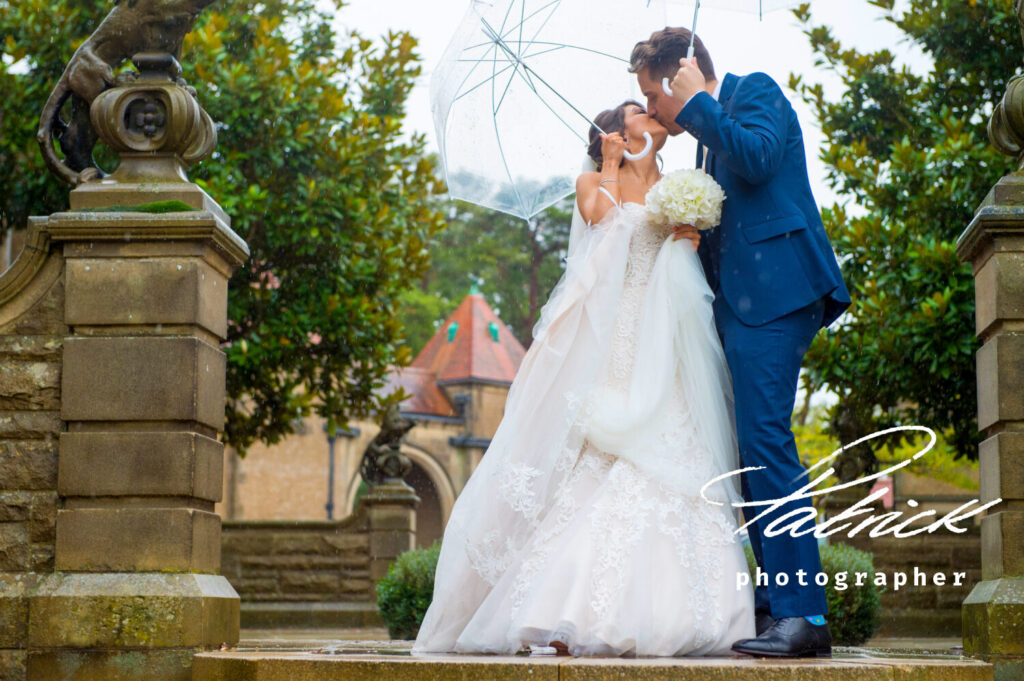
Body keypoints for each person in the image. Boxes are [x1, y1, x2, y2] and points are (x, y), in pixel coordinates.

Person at [411, 101, 755, 657]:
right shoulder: (594, 180)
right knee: (604, 449)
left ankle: (689, 609)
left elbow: (689, 261)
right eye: (640, 113)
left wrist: (686, 239)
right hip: (615, 331)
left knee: (673, 439)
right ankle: (568, 606)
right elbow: (600, 224)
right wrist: (614, 166)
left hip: (667, 330)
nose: (653, 117)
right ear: (616, 134)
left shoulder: (680, 185)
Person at [631, 27, 852, 658]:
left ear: (684, 75)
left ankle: (802, 613)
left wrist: (699, 103)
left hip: (778, 296)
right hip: (736, 308)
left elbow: (757, 158)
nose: (651, 111)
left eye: (654, 95)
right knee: (746, 454)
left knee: (764, 444)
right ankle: (773, 605)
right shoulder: (701, 145)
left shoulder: (754, 93)